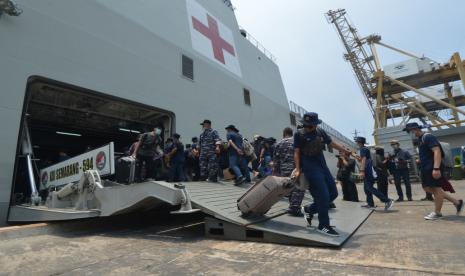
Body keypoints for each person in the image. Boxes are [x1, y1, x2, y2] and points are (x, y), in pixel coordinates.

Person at [293, 112, 351, 237]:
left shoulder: (320, 132)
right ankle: (323, 226)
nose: (308, 128)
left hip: (322, 166)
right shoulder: (299, 134)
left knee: (333, 193)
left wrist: (343, 149)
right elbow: (297, 152)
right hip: (310, 168)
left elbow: (330, 143)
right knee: (323, 196)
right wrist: (297, 169)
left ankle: (309, 209)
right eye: (306, 125)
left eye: (310, 126)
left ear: (315, 124)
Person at [403, 122, 463, 220]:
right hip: (426, 168)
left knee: (436, 190)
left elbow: (437, 151)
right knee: (427, 188)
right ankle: (457, 202)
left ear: (414, 129)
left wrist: (436, 168)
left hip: (432, 168)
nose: (409, 133)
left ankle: (437, 213)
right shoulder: (420, 139)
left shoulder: (428, 137)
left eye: (409, 131)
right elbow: (428, 153)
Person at [355, 136, 394, 211]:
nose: (356, 143)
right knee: (366, 188)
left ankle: (387, 200)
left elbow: (363, 159)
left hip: (367, 170)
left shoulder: (363, 149)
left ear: (359, 142)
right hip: (368, 169)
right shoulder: (365, 149)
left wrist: (362, 170)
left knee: (369, 187)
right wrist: (356, 156)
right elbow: (362, 159)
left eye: (357, 142)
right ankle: (370, 203)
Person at [273, 127, 302, 216]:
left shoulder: (279, 143)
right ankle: (294, 208)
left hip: (283, 168)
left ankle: (292, 206)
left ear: (284, 133)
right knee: (298, 188)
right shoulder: (296, 141)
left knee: (288, 186)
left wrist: (276, 171)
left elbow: (276, 159)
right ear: (291, 133)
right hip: (295, 168)